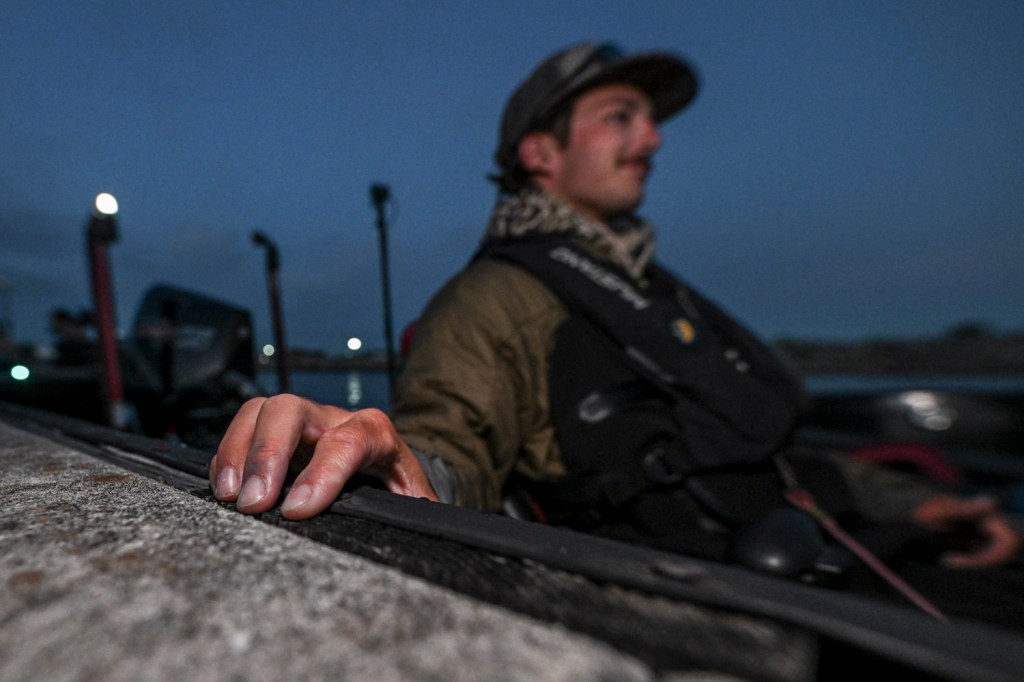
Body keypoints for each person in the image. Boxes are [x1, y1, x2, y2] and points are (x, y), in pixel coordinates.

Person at [210, 43, 1019, 596]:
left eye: (651, 120)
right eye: (621, 116)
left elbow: (764, 450)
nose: (653, 138)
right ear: (541, 153)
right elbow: (451, 443)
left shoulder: (661, 299)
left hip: (834, 546)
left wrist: (910, 503)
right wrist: (376, 450)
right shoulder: (499, 296)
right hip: (728, 595)